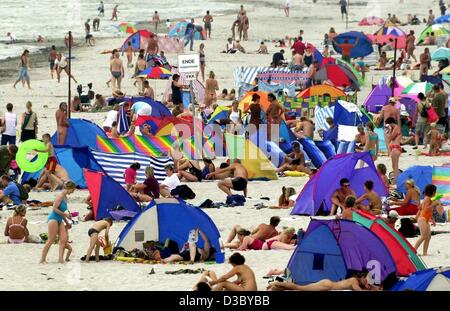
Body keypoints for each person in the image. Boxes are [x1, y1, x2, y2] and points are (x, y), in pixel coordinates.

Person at [40, 181, 76, 264]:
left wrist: (67, 222)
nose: (72, 192)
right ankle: (42, 259)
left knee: (63, 239)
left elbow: (61, 211)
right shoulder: (60, 196)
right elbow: (54, 209)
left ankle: (60, 259)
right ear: (69, 188)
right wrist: (65, 215)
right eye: (72, 190)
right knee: (50, 240)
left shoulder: (65, 197)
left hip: (60, 219)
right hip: (53, 219)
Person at [268, 273, 378, 291]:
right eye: (367, 280)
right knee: (299, 288)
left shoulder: (355, 281)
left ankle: (275, 288)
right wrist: (373, 289)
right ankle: (275, 283)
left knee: (301, 288)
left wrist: (371, 287)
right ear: (362, 277)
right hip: (327, 285)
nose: (367, 282)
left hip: (327, 283)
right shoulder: (354, 280)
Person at [414, 184, 437, 256]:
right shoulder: (427, 198)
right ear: (432, 192)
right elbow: (426, 209)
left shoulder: (427, 198)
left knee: (428, 237)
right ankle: (413, 250)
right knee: (423, 236)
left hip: (425, 219)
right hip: (422, 218)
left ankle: (425, 252)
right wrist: (433, 204)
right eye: (435, 191)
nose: (436, 193)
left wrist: (433, 220)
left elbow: (427, 211)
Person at [385, 117, 402, 184]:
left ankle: (397, 180)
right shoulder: (394, 128)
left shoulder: (396, 128)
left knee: (395, 166)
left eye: (388, 124)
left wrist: (388, 131)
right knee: (394, 166)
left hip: (395, 148)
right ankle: (396, 179)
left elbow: (390, 137)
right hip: (394, 148)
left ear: (390, 123)